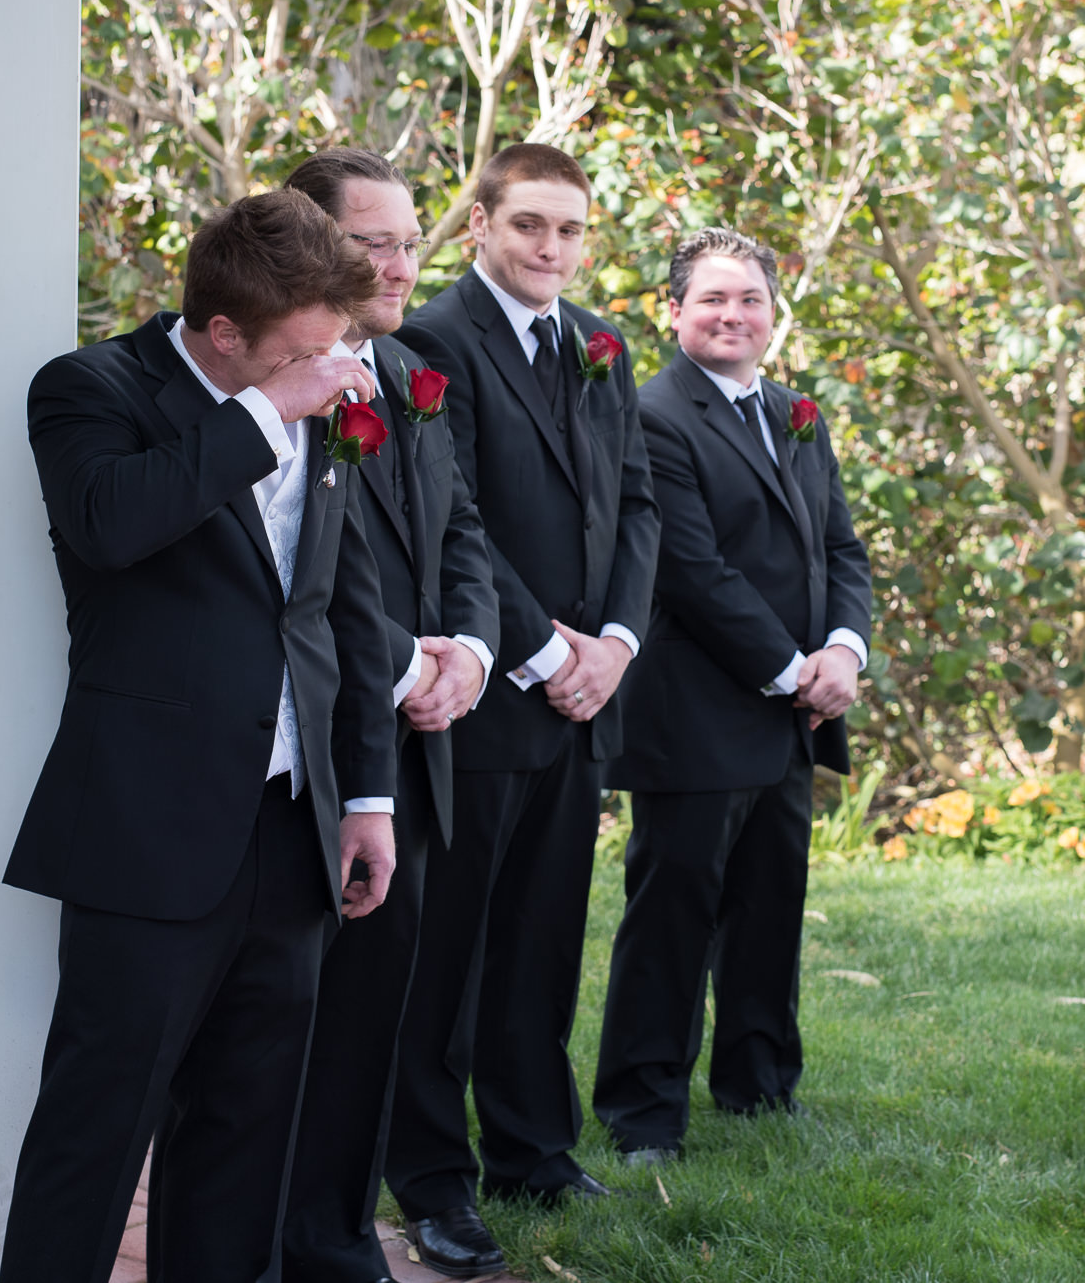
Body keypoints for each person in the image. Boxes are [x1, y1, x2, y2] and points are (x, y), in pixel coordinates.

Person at [1, 189, 400, 1283]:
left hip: (291, 827)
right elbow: (110, 522)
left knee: (244, 1134)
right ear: (225, 331)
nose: (332, 371)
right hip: (148, 831)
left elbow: (339, 611)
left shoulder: (313, 397)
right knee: (93, 1135)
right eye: (304, 352)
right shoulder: (93, 390)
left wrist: (366, 793)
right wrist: (271, 416)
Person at [384, 142, 660, 1277]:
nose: (551, 249)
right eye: (529, 226)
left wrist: (618, 648)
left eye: (569, 231)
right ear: (479, 228)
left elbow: (636, 502)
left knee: (544, 938)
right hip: (490, 695)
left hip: (584, 699)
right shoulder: (431, 340)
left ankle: (533, 1147)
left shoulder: (599, 341)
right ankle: (433, 1179)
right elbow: (453, 517)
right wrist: (545, 649)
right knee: (447, 951)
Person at [592, 228, 871, 1160]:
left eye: (749, 299)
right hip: (697, 713)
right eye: (712, 299)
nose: (731, 315)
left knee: (768, 909)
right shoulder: (654, 413)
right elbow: (693, 571)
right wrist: (794, 672)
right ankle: (641, 1110)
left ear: (771, 312)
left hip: (793, 715)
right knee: (672, 917)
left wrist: (844, 648)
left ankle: (759, 1087)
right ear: (674, 312)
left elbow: (839, 546)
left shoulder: (796, 411)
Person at [278, 148, 501, 1283]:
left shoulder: (413, 369)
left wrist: (468, 647)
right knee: (288, 1015)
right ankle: (272, 1233)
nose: (402, 264)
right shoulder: (277, 377)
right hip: (308, 748)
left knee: (379, 1007)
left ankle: (333, 1234)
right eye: (373, 243)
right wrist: (392, 667)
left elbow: (459, 528)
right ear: (311, 245)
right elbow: (292, 571)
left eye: (412, 240)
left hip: (420, 745)